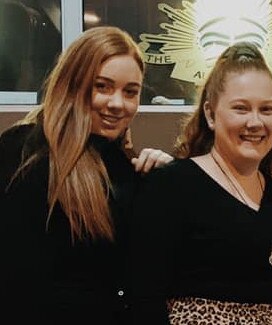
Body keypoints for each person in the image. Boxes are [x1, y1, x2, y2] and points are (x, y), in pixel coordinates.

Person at [0, 26, 172, 325]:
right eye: (102, 86)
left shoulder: (124, 169)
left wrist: (167, 179)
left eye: (130, 92)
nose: (117, 104)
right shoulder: (23, 151)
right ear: (73, 83)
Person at [130, 42, 272, 324]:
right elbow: (143, 298)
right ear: (211, 114)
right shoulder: (172, 184)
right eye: (241, 108)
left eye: (266, 109)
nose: (255, 121)